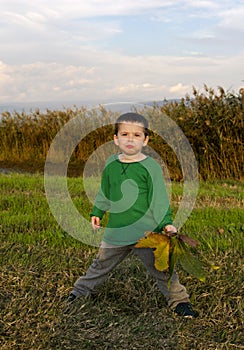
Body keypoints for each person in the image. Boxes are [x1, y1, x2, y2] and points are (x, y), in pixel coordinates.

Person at [67, 112, 199, 318]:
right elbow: (106, 191)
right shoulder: (111, 163)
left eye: (137, 135)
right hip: (117, 232)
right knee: (100, 264)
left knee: (162, 270)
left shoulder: (150, 167)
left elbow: (159, 199)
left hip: (146, 233)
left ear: (145, 140)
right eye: (125, 134)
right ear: (116, 139)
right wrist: (98, 211)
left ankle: (179, 302)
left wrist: (166, 224)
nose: (130, 139)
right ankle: (79, 292)